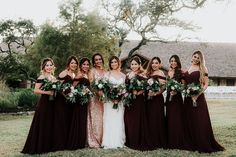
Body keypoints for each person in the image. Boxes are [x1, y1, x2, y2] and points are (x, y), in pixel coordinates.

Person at [183, 51, 225, 153]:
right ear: (192, 57)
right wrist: (185, 91)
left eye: (198, 57)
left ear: (200, 59)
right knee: (189, 119)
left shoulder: (203, 69)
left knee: (200, 120)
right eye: (195, 56)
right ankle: (191, 143)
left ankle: (202, 143)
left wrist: (197, 95)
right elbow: (185, 83)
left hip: (198, 98)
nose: (196, 59)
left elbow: (205, 84)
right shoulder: (188, 68)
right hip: (188, 98)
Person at [22, 58, 55, 154]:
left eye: (50, 65)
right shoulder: (42, 77)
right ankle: (39, 146)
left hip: (52, 103)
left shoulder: (53, 77)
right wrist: (48, 92)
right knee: (42, 123)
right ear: (44, 67)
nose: (49, 67)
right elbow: (36, 90)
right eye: (47, 65)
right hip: (44, 103)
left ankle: (48, 145)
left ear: (53, 66)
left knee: (49, 123)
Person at [52, 55, 79, 151]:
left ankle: (66, 142)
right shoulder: (64, 72)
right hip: (61, 101)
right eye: (72, 62)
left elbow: (72, 87)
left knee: (67, 121)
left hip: (69, 101)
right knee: (61, 121)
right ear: (68, 64)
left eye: (75, 63)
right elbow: (57, 86)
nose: (74, 64)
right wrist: (66, 95)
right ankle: (59, 143)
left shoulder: (74, 75)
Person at [124, 56, 150, 151]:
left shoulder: (143, 75)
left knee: (137, 120)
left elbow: (146, 87)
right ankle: (129, 140)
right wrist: (127, 93)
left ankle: (137, 140)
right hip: (129, 100)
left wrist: (138, 92)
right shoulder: (127, 75)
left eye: (136, 64)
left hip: (138, 100)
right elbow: (125, 87)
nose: (134, 66)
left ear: (139, 65)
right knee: (129, 119)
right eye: (132, 64)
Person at [67, 58, 92, 149]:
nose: (86, 66)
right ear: (80, 65)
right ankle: (75, 142)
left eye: (87, 64)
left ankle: (81, 141)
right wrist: (80, 93)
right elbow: (72, 87)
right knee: (78, 119)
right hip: (79, 101)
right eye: (84, 64)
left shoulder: (86, 74)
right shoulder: (79, 75)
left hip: (84, 101)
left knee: (82, 120)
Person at [102, 56, 126, 149]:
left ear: (118, 63)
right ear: (110, 64)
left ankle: (118, 141)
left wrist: (119, 98)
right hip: (109, 101)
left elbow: (124, 90)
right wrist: (111, 98)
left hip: (119, 102)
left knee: (118, 120)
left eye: (115, 62)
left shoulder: (123, 76)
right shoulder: (107, 74)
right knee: (109, 119)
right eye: (112, 62)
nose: (113, 64)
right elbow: (104, 89)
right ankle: (108, 141)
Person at [145, 57, 167, 149]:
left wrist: (155, 93)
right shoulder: (148, 73)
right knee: (149, 118)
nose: (154, 64)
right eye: (153, 63)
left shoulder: (161, 73)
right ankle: (150, 139)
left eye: (156, 63)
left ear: (159, 64)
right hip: (148, 99)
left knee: (157, 118)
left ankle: (158, 140)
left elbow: (163, 87)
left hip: (157, 99)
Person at [165, 55, 184, 149]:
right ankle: (170, 140)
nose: (173, 62)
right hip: (169, 97)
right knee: (169, 117)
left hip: (177, 98)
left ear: (178, 62)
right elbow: (166, 85)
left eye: (174, 61)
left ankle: (177, 141)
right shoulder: (168, 72)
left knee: (176, 118)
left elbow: (184, 85)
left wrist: (177, 90)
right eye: (171, 61)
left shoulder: (180, 72)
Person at [87, 53, 106, 148]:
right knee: (95, 118)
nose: (98, 61)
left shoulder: (105, 71)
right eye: (96, 60)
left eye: (100, 59)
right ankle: (94, 140)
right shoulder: (92, 71)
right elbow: (91, 84)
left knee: (103, 118)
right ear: (94, 62)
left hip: (104, 99)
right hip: (95, 98)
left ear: (102, 60)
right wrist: (98, 92)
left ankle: (103, 139)